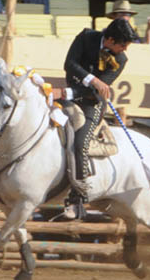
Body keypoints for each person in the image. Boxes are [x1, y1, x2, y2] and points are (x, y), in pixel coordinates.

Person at [52, 18, 137, 219]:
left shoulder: (121, 59)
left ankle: (77, 198)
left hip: (92, 104)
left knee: (81, 142)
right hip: (70, 97)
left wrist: (65, 93)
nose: (125, 49)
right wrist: (93, 79)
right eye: (122, 44)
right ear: (110, 40)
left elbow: (95, 93)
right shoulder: (85, 37)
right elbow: (69, 64)